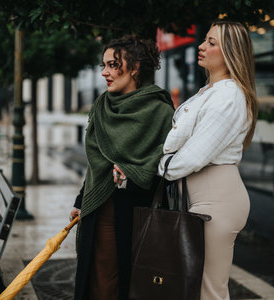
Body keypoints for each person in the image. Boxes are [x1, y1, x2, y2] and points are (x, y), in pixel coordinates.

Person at [158, 20, 258, 300]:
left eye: (212, 43)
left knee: (209, 290)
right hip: (199, 196)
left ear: (231, 53)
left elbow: (193, 156)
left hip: (217, 199)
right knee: (192, 286)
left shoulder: (229, 96)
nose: (201, 46)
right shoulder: (208, 93)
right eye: (205, 40)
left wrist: (158, 166)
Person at [70, 35, 174, 300]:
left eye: (113, 64)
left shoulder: (159, 111)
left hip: (134, 213)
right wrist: (81, 200)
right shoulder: (102, 106)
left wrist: (132, 174)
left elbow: (163, 166)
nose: (104, 72)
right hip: (98, 209)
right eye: (104, 65)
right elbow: (97, 163)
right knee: (97, 280)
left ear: (135, 68)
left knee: (124, 284)